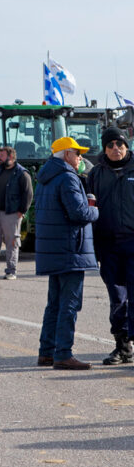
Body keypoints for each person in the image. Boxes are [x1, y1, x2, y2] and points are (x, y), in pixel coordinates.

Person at [35, 137, 99, 370]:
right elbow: (79, 214)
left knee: (54, 303)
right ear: (66, 155)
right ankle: (63, 353)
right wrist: (94, 209)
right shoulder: (68, 178)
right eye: (77, 152)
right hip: (70, 250)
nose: (81, 157)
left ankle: (46, 352)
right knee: (70, 304)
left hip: (54, 250)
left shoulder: (45, 178)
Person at [87, 127, 134, 364]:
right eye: (110, 145)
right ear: (104, 149)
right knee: (117, 297)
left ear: (127, 146)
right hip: (108, 245)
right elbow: (89, 207)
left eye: (119, 144)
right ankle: (123, 346)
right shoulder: (96, 174)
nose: (116, 149)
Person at [0, 145, 34, 280]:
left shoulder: (22, 173)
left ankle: (11, 270)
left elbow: (28, 194)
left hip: (11, 214)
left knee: (12, 242)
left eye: (2, 156)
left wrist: (21, 211)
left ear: (11, 157)